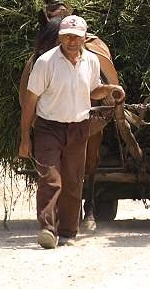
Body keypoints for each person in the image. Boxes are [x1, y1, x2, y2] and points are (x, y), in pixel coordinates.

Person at [18, 15, 125, 249]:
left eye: (76, 37)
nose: (72, 41)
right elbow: (29, 102)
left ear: (84, 38)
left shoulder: (91, 61)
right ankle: (47, 228)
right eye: (67, 36)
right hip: (49, 128)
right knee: (50, 178)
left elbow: (93, 90)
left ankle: (68, 232)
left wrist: (109, 89)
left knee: (74, 181)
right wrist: (25, 138)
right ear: (60, 38)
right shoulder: (45, 62)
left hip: (78, 127)